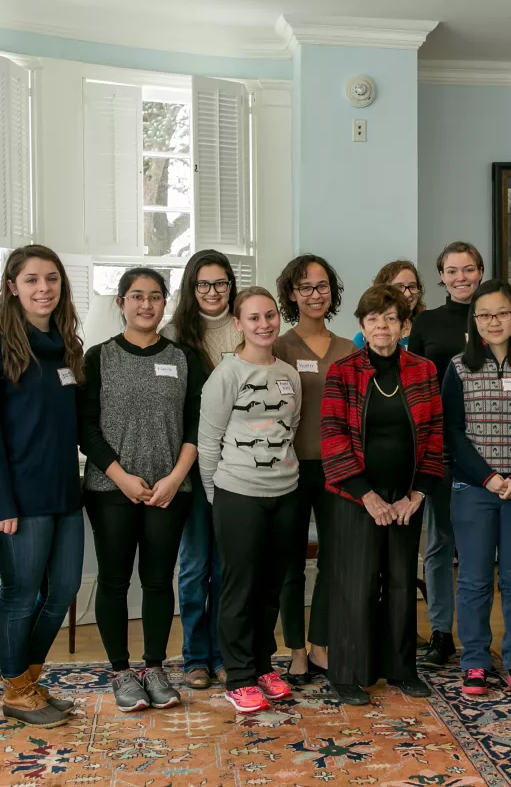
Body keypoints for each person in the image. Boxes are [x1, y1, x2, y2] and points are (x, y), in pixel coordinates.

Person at [0, 245, 87, 727]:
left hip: (63, 491)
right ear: (12, 286)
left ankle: (28, 681)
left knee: (63, 589)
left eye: (52, 279)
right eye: (33, 279)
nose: (44, 288)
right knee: (21, 594)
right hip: (17, 496)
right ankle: (16, 689)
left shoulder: (65, 342)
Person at [79, 268, 203, 713]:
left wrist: (175, 477)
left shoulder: (185, 358)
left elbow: (196, 424)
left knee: (157, 580)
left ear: (165, 302)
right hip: (111, 489)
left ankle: (154, 667)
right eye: (136, 296)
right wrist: (121, 476)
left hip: (171, 489)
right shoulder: (98, 357)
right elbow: (86, 428)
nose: (146, 305)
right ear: (121, 303)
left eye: (154, 296)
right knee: (113, 581)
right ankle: (121, 672)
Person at [321, 284, 443, 705]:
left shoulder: (423, 370)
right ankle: (348, 673)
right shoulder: (343, 370)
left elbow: (435, 435)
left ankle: (401, 669)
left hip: (406, 495)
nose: (382, 326)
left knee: (399, 582)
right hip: (357, 495)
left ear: (405, 325)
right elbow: (332, 435)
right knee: (355, 583)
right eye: (373, 318)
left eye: (391, 318)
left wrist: (418, 493)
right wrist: (367, 496)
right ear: (361, 325)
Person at [198, 287, 302, 714]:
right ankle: (238, 675)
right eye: (254, 318)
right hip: (237, 494)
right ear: (238, 324)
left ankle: (262, 666)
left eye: (271, 316)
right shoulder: (226, 374)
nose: (265, 325)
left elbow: (288, 427)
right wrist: (215, 494)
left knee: (270, 587)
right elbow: (208, 442)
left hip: (286, 493)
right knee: (240, 588)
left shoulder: (289, 374)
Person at [442, 280, 511, 698]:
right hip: (473, 488)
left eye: (501, 313)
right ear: (473, 320)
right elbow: (452, 433)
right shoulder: (459, 366)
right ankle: (476, 661)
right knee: (475, 579)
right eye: (484, 314)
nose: (494, 322)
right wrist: (489, 478)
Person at [273, 254, 357, 684]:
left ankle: (321, 643)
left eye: (322, 286)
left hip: (338, 469)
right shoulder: (279, 346)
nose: (315, 294)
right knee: (290, 564)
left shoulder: (348, 349)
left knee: (334, 559)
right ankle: (296, 651)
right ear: (291, 294)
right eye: (305, 287)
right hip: (289, 470)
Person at [162, 250, 239, 688]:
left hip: (239, 466)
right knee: (194, 566)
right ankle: (195, 657)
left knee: (227, 567)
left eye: (221, 283)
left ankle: (224, 653)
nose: (213, 292)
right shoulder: (174, 334)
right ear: (192, 288)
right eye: (204, 284)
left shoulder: (246, 326)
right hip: (190, 465)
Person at [408, 241, 484, 666]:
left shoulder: (495, 317)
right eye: (452, 271)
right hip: (438, 445)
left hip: (488, 447)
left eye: (468, 269)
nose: (461, 278)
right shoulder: (427, 321)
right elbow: (415, 384)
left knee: (479, 547)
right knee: (439, 542)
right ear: (440, 276)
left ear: (480, 271)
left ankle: (479, 636)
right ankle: (441, 632)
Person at [352, 260, 425, 349]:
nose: (408, 294)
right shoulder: (362, 339)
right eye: (399, 286)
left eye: (412, 286)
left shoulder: (429, 331)